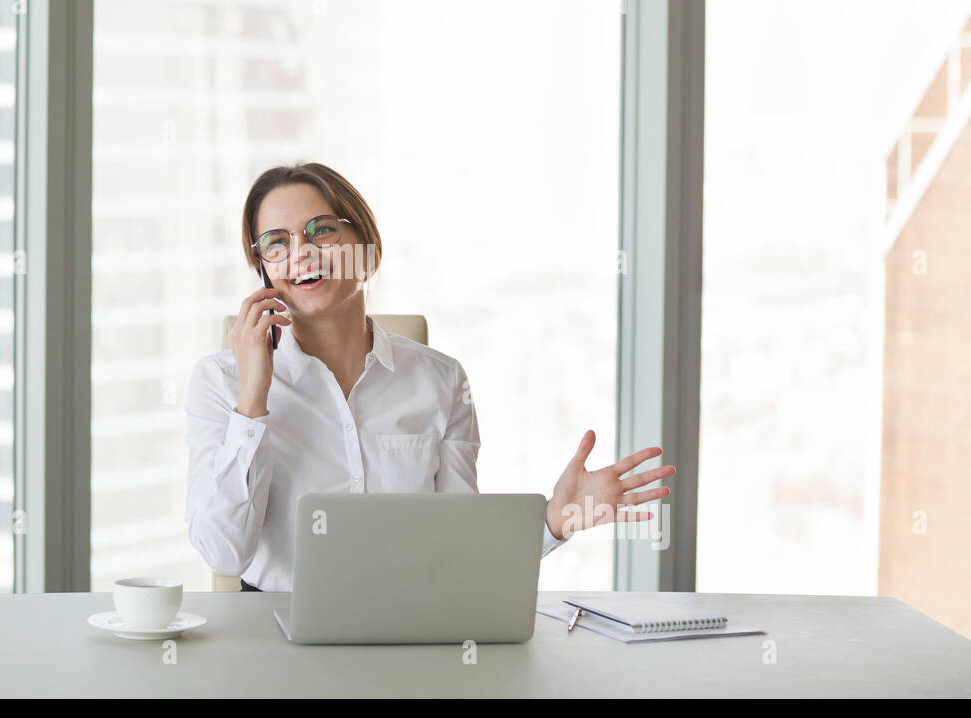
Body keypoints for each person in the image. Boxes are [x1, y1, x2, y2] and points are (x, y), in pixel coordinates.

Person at [184, 162, 675, 591]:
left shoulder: (441, 381)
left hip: (411, 633)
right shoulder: (220, 382)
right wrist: (252, 399)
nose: (302, 253)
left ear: (368, 250)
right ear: (265, 272)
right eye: (277, 243)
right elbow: (224, 554)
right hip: (275, 646)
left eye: (322, 230)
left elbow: (463, 551)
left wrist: (556, 519)